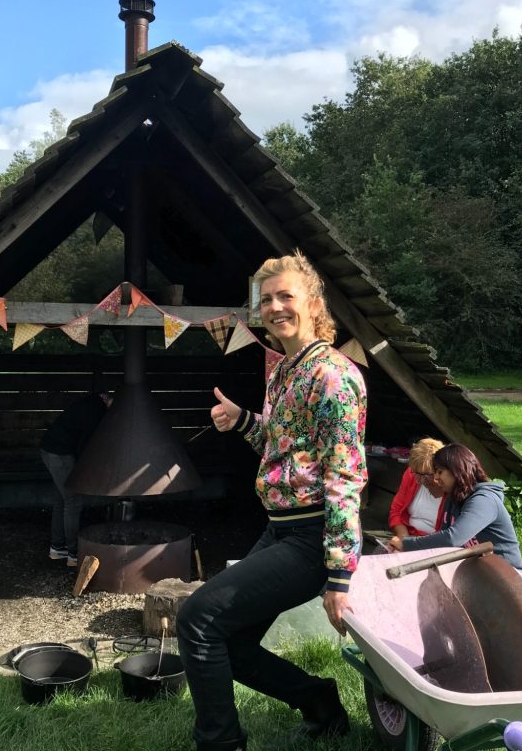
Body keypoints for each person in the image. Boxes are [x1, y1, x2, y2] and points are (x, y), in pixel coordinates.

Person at [176, 251, 367, 751]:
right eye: (266, 300)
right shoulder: (285, 371)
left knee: (197, 618)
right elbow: (284, 445)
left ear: (313, 302)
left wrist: (339, 574)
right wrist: (242, 420)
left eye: (286, 296)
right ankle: (320, 701)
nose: (275, 307)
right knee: (231, 641)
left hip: (313, 538)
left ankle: (220, 743)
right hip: (280, 527)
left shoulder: (333, 376)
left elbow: (345, 475)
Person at [386, 443, 522, 570]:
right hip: (475, 571)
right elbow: (442, 544)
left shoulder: (484, 500)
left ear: (456, 471)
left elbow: (453, 538)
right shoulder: (452, 498)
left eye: (440, 472)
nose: (436, 477)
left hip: (506, 575)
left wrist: (407, 544)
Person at [40, 392, 112, 568]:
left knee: (61, 500)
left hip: (49, 449)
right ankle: (73, 554)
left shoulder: (92, 402)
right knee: (73, 501)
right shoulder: (95, 412)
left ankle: (58, 548)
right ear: (109, 399)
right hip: (60, 455)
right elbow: (84, 448)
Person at [388, 437, 447, 538]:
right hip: (409, 536)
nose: (420, 480)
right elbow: (396, 511)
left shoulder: (451, 489)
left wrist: (414, 544)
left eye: (427, 475)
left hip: (435, 543)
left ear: (440, 471)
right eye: (417, 473)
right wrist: (404, 537)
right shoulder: (411, 475)